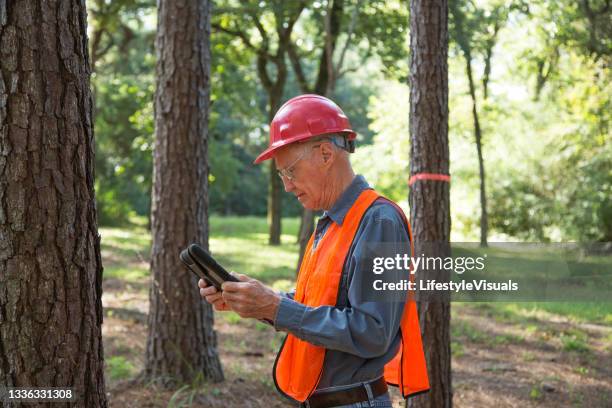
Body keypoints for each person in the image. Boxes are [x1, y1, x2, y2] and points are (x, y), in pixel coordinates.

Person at [199, 95, 429, 408]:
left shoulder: (379, 221)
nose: (287, 186)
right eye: (281, 175)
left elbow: (372, 332)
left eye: (290, 171)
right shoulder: (331, 222)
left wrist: (276, 308)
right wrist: (260, 300)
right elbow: (318, 305)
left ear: (324, 154)